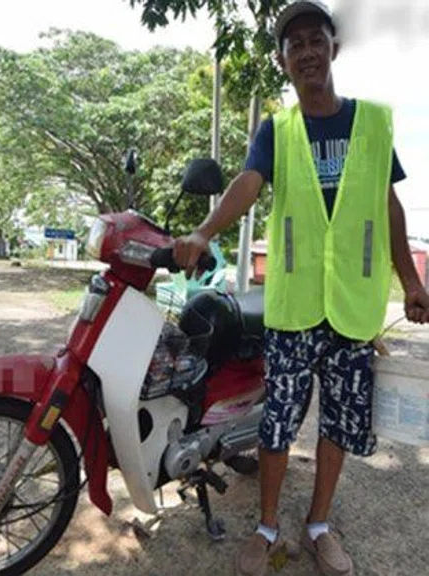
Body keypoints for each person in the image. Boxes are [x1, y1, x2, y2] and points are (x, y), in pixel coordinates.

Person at [173, 1, 429, 575]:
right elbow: (248, 184)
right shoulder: (278, 130)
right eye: (295, 46)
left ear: (334, 48)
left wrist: (410, 281)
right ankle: (266, 526)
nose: (307, 52)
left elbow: (388, 204)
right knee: (278, 425)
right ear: (284, 62)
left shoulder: (372, 123)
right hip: (293, 311)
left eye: (316, 40)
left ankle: (318, 524)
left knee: (338, 426)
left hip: (354, 310)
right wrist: (204, 230)